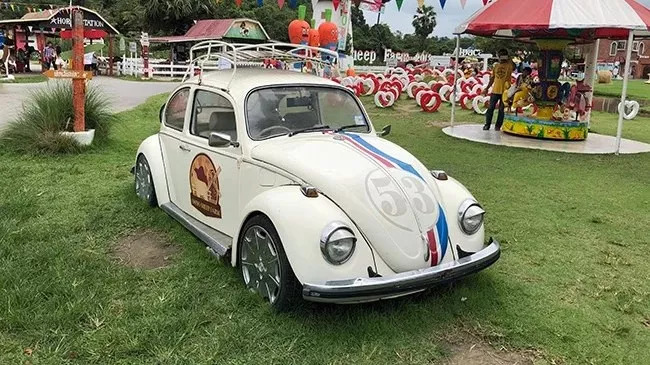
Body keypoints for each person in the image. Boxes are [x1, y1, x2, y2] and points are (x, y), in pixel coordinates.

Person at [483, 49, 514, 131]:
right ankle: (487, 124)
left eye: (503, 55)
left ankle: (498, 126)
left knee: (501, 110)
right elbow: (492, 78)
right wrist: (487, 88)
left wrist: (508, 57)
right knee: (490, 108)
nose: (502, 57)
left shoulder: (509, 65)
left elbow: (514, 65)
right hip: (495, 91)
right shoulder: (496, 66)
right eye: (500, 55)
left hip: (505, 91)